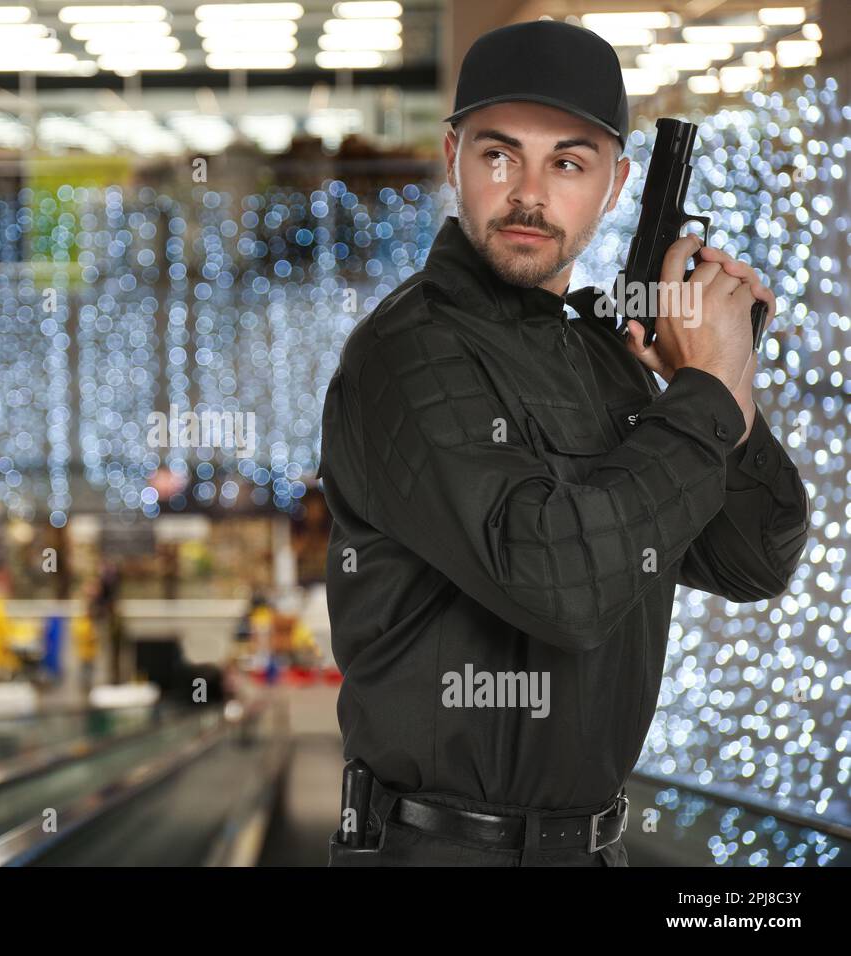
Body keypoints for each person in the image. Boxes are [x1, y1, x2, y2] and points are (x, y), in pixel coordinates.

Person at [318, 20, 811, 866]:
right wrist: (698, 396)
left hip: (591, 850)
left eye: (569, 163)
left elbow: (753, 561)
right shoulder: (407, 354)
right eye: (499, 155)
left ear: (615, 185)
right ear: (453, 160)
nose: (529, 193)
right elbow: (560, 584)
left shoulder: (601, 355)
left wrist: (724, 385)